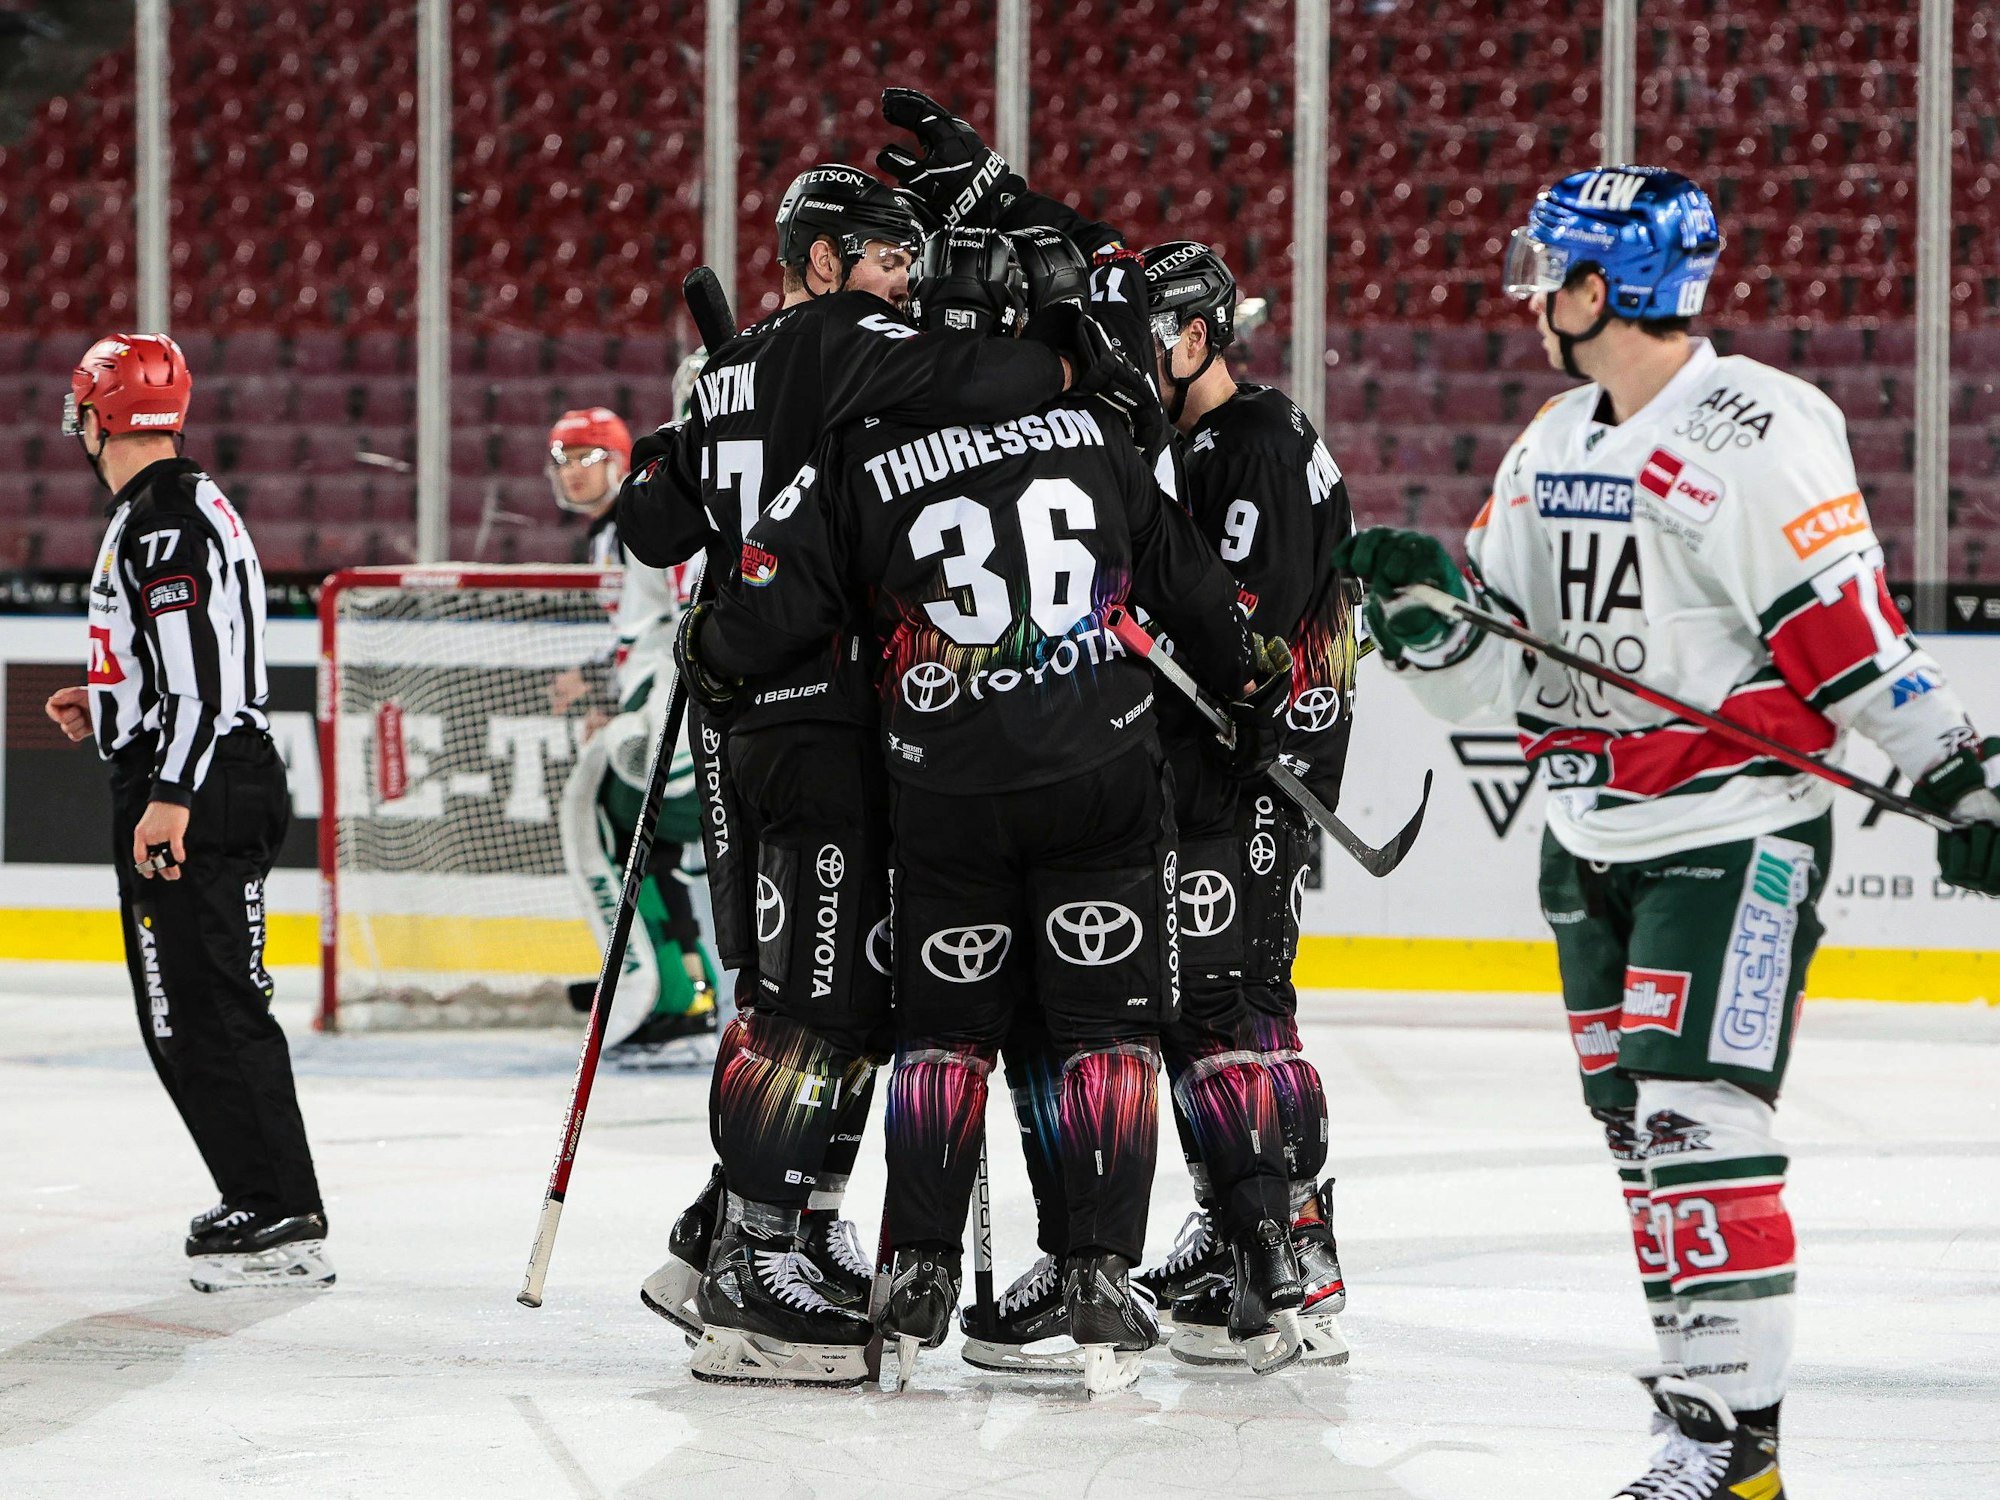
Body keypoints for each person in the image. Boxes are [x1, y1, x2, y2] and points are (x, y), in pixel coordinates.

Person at [1334, 165, 2000, 1498]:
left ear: (1603, 287)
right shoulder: (1552, 446)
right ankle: (1711, 1429)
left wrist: (1962, 777)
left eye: (1553, 272)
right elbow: (1499, 673)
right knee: (1643, 1132)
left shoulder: (1755, 427)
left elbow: (1845, 629)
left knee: (1699, 1117)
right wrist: (1423, 620)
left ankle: (1725, 1441)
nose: (1533, 297)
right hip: (1586, 843)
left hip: (1738, 833)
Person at [678, 226, 1290, 1397]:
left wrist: (712, 648)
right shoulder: (1104, 427)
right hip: (1099, 777)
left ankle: (913, 1266)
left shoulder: (867, 435)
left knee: (941, 1032)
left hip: (942, 784)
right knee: (1098, 1031)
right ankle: (1099, 1268)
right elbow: (1187, 585)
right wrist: (1251, 674)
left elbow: (777, 599)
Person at [617, 161, 1148, 1384]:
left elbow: (653, 529)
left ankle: (729, 1233)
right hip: (821, 715)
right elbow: (986, 380)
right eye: (880, 255)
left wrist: (680, 440)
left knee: (794, 994)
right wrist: (1070, 360)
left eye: (909, 258)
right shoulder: (853, 341)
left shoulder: (736, 360)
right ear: (816, 259)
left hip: (744, 720)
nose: (903, 280)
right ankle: (756, 1269)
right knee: (821, 1008)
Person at [42, 333, 330, 1292]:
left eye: (83, 407)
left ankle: (279, 1204)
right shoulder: (178, 504)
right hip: (207, 769)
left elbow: (204, 681)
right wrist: (110, 699)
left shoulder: (160, 520)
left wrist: (167, 794)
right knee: (195, 1007)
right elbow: (190, 662)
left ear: (101, 416)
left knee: (199, 1009)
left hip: (195, 786)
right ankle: (265, 1194)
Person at [1126, 240, 1359, 1372]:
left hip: (1264, 751)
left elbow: (1245, 636)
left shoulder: (1250, 443)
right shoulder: (1213, 439)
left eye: (1148, 335)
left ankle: (1295, 1240)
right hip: (1250, 746)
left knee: (1244, 991)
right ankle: (1236, 1223)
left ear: (1198, 337)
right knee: (1217, 991)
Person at [545, 402, 720, 1063]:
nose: (576, 473)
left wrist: (615, 698)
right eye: (565, 459)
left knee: (611, 826)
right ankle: (682, 986)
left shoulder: (639, 518)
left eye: (589, 457)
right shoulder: (613, 529)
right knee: (656, 856)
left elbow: (663, 623)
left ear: (621, 461)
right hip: (668, 702)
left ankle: (665, 991)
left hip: (683, 709)